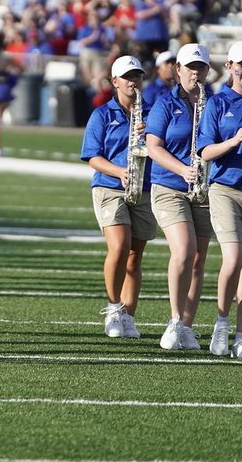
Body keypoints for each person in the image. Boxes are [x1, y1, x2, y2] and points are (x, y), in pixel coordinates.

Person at [197, 40, 242, 360]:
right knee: (233, 258)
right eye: (241, 64)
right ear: (229, 66)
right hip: (224, 187)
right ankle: (221, 324)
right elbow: (205, 152)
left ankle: (241, 335)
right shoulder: (218, 102)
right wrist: (235, 139)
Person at [81, 56, 156, 339]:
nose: (133, 81)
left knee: (135, 257)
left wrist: (149, 133)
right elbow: (91, 156)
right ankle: (113, 307)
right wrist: (119, 171)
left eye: (137, 76)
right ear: (115, 82)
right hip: (110, 187)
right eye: (127, 77)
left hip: (145, 187)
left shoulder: (152, 113)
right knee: (120, 246)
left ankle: (129, 316)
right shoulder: (102, 114)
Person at [145, 43, 213, 351]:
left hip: (203, 188)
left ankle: (187, 325)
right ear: (178, 70)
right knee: (184, 251)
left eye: (200, 68)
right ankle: (174, 320)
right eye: (190, 68)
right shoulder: (164, 103)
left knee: (199, 260)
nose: (195, 73)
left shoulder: (214, 103)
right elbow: (154, 146)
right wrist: (183, 169)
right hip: (169, 185)